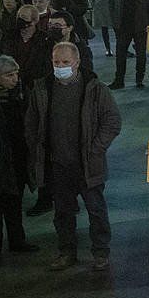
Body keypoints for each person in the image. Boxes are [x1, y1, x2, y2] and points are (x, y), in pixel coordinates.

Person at [27, 42, 122, 271]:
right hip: (57, 164)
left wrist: (95, 149)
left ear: (77, 63)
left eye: (65, 62)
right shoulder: (42, 88)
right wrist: (38, 150)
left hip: (88, 164)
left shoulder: (96, 88)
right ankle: (66, 251)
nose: (60, 67)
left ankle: (100, 252)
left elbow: (112, 121)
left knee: (96, 210)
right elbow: (31, 123)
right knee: (62, 212)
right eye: (56, 62)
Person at [0, 55, 36, 256]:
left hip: (17, 157)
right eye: (8, 75)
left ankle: (17, 241)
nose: (14, 79)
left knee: (15, 201)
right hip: (2, 159)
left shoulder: (21, 94)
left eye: (16, 74)